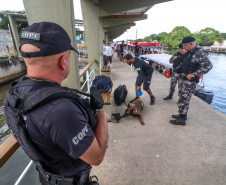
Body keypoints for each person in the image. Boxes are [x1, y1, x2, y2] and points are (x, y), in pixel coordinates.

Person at [4, 22, 109, 185]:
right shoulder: (61, 110)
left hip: (46, 177)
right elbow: (96, 157)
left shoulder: (16, 92)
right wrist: (102, 119)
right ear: (63, 61)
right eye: (68, 56)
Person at [170, 36, 213, 126]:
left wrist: (195, 74)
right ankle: (182, 115)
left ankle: (182, 120)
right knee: (182, 98)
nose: (183, 48)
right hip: (183, 79)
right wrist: (179, 71)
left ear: (191, 44)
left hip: (189, 82)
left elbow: (208, 66)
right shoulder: (190, 52)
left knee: (184, 100)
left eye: (185, 45)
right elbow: (185, 63)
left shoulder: (199, 53)